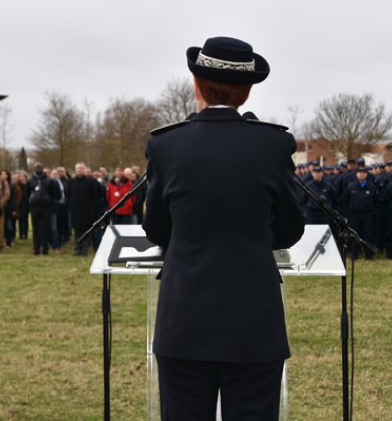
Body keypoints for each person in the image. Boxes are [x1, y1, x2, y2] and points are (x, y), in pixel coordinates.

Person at [143, 36, 305, 421]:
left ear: (196, 85)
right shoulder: (273, 144)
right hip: (254, 318)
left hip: (184, 317)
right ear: (246, 93)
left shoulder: (166, 145)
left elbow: (156, 228)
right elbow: (289, 229)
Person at [68, 162, 103, 256]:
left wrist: (91, 209)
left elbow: (95, 197)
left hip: (86, 211)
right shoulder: (71, 182)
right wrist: (71, 206)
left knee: (85, 231)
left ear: (84, 169)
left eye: (81, 168)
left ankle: (84, 249)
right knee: (76, 231)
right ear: (75, 170)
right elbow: (69, 195)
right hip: (75, 211)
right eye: (78, 168)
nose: (79, 170)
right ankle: (77, 248)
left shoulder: (90, 182)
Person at [28, 162, 53, 256]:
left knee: (45, 229)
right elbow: (27, 194)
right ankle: (36, 249)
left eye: (39, 167)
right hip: (34, 207)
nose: (38, 169)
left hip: (45, 207)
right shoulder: (30, 180)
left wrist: (50, 203)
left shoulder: (48, 180)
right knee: (35, 229)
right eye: (36, 167)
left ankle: (45, 249)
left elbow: (52, 193)